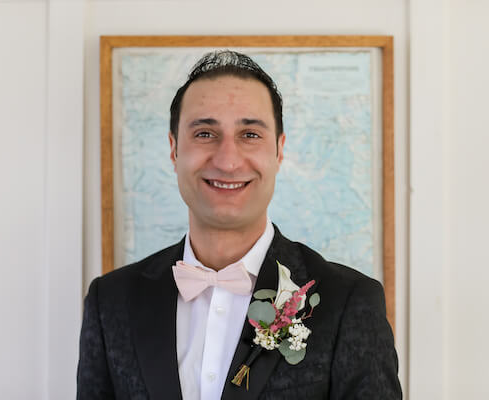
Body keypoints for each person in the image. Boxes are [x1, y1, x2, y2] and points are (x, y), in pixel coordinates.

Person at [77, 50, 402, 400]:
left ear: (279, 151)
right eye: (204, 133)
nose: (228, 161)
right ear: (173, 150)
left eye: (249, 134)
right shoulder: (109, 302)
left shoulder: (349, 302)